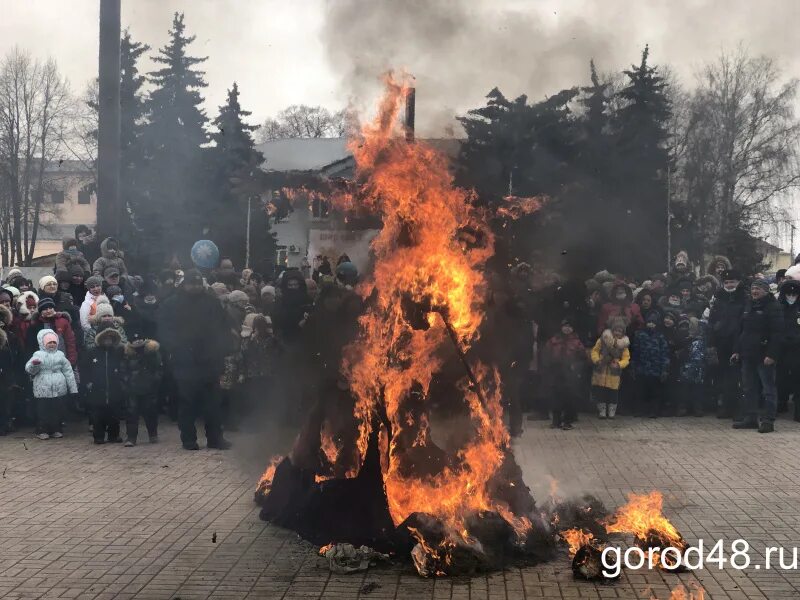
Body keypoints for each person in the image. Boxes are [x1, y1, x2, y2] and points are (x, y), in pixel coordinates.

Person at [157, 269, 232, 450]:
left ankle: (215, 438)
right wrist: (176, 349)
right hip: (185, 362)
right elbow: (164, 331)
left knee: (213, 404)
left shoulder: (212, 303)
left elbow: (223, 328)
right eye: (192, 283)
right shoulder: (171, 304)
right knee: (187, 403)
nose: (196, 287)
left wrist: (221, 350)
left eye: (199, 283)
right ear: (186, 284)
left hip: (209, 361)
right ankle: (189, 439)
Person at [732, 278, 783, 433]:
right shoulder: (748, 306)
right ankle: (750, 418)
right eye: (753, 289)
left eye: (758, 289)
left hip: (764, 355)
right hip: (747, 354)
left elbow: (778, 334)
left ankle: (768, 420)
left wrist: (772, 354)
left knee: (768, 389)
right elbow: (741, 330)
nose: (755, 292)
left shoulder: (774, 307)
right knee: (749, 388)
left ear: (766, 291)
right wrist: (736, 350)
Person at [707, 269, 747, 419]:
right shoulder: (718, 298)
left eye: (732, 282)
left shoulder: (744, 298)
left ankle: (738, 409)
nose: (729, 285)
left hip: (739, 342)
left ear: (738, 282)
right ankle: (726, 406)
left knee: (737, 377)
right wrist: (712, 341)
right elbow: (711, 321)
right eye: (727, 282)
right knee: (723, 376)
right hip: (722, 341)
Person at [25, 329, 77, 440]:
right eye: (49, 342)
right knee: (43, 410)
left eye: (54, 342)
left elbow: (68, 372)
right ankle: (42, 430)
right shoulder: (38, 355)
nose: (52, 344)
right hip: (43, 388)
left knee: (57, 410)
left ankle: (56, 429)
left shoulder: (60, 355)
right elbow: (30, 370)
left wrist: (73, 388)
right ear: (43, 343)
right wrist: (35, 365)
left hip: (59, 387)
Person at [542, 317, 586, 429]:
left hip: (570, 374)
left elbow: (582, 357)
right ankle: (556, 421)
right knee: (555, 397)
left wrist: (576, 367)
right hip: (556, 373)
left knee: (569, 398)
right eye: (565, 326)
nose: (567, 329)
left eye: (570, 326)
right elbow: (546, 354)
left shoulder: (577, 342)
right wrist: (548, 367)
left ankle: (567, 421)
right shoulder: (553, 341)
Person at [85, 325, 125, 444]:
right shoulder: (92, 352)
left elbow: (122, 367)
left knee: (114, 415)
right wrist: (88, 382)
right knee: (98, 415)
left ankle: (114, 435)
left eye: (110, 339)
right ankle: (99, 436)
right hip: (97, 388)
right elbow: (85, 368)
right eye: (105, 338)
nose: (108, 341)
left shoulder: (117, 352)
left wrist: (121, 381)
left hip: (114, 387)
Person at [122, 334, 163, 446]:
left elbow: (158, 369)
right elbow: (123, 370)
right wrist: (127, 383)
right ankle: (131, 437)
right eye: (135, 340)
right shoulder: (127, 354)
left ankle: (153, 434)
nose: (137, 342)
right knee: (131, 413)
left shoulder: (152, 352)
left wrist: (154, 381)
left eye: (139, 339)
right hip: (132, 388)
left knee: (150, 411)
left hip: (149, 387)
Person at [590, 317, 630, 419]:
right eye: (616, 330)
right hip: (601, 368)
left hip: (614, 371)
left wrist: (619, 364)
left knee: (613, 393)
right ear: (612, 330)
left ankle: (611, 412)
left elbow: (626, 358)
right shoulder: (603, 339)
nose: (617, 332)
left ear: (623, 333)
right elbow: (595, 350)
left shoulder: (623, 345)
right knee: (601, 391)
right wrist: (597, 360)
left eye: (620, 331)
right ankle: (602, 411)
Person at [632, 310, 670, 417]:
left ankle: (654, 411)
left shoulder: (660, 337)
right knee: (640, 392)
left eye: (653, 322)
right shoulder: (640, 335)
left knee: (655, 393)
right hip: (642, 369)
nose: (651, 324)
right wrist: (634, 366)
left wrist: (664, 369)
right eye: (649, 322)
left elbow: (665, 353)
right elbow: (636, 351)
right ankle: (639, 410)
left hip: (656, 370)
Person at [26, 297, 78, 368]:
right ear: (40, 311)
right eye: (45, 309)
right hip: (44, 364)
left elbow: (70, 341)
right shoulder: (35, 325)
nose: (48, 310)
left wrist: (72, 360)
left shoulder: (63, 322)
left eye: (50, 308)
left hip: (63, 360)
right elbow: (31, 346)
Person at [777, 279, 800, 420]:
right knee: (781, 378)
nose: (791, 296)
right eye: (788, 294)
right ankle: (781, 403)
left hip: (798, 348)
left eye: (794, 294)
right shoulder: (778, 307)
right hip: (782, 348)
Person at [676, 316, 706, 416]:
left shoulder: (702, 340)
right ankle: (683, 407)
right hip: (686, 369)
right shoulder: (686, 339)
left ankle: (697, 408)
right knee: (684, 390)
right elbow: (681, 353)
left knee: (697, 390)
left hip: (698, 370)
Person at [0, 305, 19, 435]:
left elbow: (16, 355)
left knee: (6, 400)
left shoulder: (11, 335)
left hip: (7, 372)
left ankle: (5, 424)